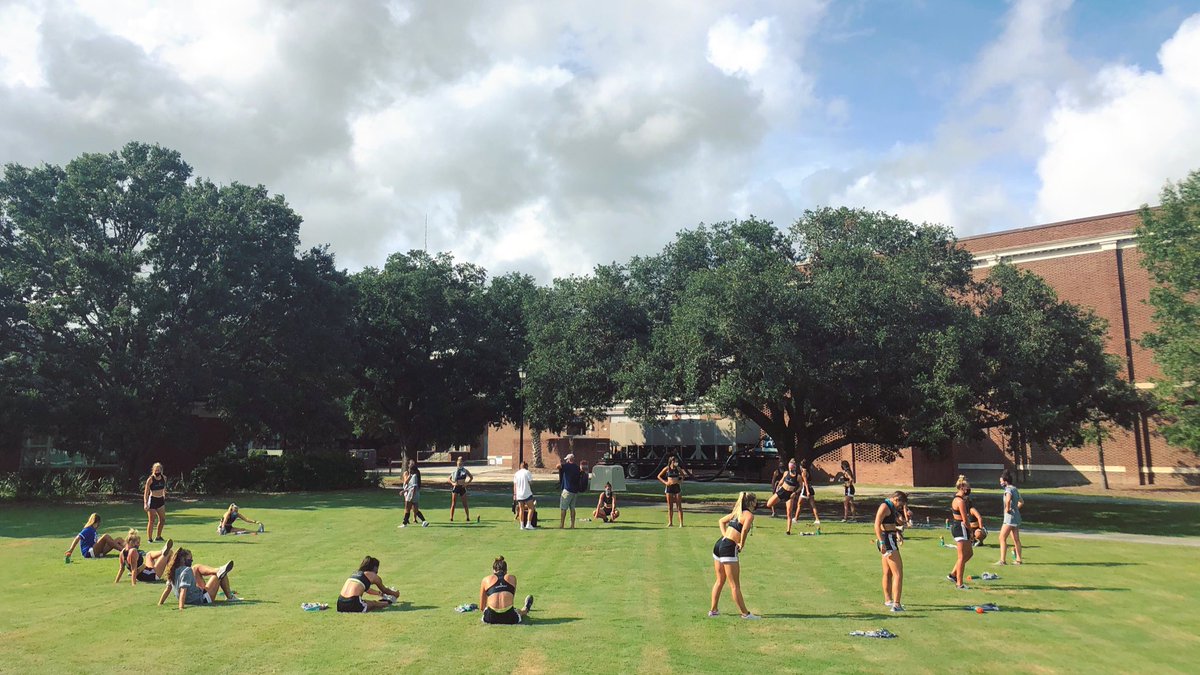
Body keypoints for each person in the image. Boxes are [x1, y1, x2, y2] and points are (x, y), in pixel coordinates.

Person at [709, 492, 760, 620]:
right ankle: (745, 614)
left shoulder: (737, 512)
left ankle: (713, 611)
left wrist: (725, 536)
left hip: (719, 544)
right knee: (734, 585)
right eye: (756, 501)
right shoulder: (749, 515)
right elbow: (744, 531)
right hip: (728, 547)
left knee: (720, 580)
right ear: (752, 502)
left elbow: (721, 521)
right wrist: (741, 544)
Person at [157, 549, 237, 609]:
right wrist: (181, 607)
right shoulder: (186, 570)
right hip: (202, 599)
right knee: (219, 575)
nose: (191, 561)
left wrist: (160, 603)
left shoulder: (173, 571)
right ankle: (229, 597)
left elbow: (167, 589)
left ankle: (219, 570)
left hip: (193, 597)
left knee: (195, 567)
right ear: (183, 560)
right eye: (190, 559)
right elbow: (183, 591)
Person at [874, 491, 909, 612]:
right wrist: (881, 542)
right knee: (898, 573)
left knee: (888, 572)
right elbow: (876, 525)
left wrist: (898, 533)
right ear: (895, 499)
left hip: (889, 539)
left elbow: (893, 524)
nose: (899, 507)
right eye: (900, 505)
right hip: (887, 541)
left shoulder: (891, 507)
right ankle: (896, 604)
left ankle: (888, 600)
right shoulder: (885, 506)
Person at [479, 556, 534, 624]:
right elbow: (511, 600)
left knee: (491, 609)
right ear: (506, 570)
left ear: (493, 570)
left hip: (490, 618)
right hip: (510, 618)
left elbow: (482, 607)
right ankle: (525, 609)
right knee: (519, 612)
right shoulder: (512, 578)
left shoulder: (486, 579)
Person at [947, 475, 974, 589]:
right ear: (962, 487)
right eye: (967, 486)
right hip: (960, 528)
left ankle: (953, 574)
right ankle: (959, 583)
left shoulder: (959, 500)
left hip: (960, 527)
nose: (969, 489)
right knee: (962, 557)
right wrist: (971, 531)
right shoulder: (960, 501)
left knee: (969, 553)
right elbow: (965, 519)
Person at [765, 459, 802, 535]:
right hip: (782, 491)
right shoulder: (786, 473)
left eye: (793, 467)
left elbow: (801, 486)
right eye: (790, 467)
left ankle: (788, 531)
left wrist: (795, 493)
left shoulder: (798, 477)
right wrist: (778, 487)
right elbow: (781, 481)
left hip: (790, 494)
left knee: (789, 513)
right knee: (769, 504)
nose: (791, 469)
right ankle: (776, 507)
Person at [996, 470, 1024, 564]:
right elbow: (1021, 502)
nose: (1000, 483)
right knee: (1016, 539)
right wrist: (1015, 509)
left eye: (1001, 481)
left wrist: (1007, 509)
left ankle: (1002, 560)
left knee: (1002, 537)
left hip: (1009, 518)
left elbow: (1007, 500)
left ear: (1005, 481)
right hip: (1016, 517)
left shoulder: (1008, 489)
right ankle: (1019, 559)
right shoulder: (1015, 489)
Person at [657, 456, 687, 527]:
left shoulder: (678, 468)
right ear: (671, 461)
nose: (676, 462)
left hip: (676, 487)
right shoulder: (667, 469)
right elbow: (659, 476)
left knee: (679, 506)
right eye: (675, 461)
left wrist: (680, 481)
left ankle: (681, 523)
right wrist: (665, 482)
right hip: (669, 488)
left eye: (677, 461)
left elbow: (683, 476)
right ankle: (670, 522)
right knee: (670, 506)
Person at [143, 462, 168, 542]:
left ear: (161, 470)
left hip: (160, 500)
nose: (157, 472)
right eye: (156, 470)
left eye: (159, 470)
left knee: (162, 519)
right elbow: (146, 492)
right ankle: (149, 539)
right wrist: (145, 503)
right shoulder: (150, 479)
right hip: (152, 500)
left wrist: (164, 495)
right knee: (152, 520)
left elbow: (164, 487)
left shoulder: (164, 478)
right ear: (153, 470)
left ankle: (158, 536)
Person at [400, 459, 428, 528]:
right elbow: (408, 484)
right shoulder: (412, 475)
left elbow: (414, 487)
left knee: (407, 508)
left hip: (412, 494)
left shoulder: (414, 476)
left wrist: (411, 496)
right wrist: (404, 491)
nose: (408, 469)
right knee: (415, 510)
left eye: (409, 468)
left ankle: (404, 523)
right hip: (413, 494)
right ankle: (424, 521)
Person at [558, 453, 582, 529]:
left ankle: (562, 524)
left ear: (568, 459)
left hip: (567, 490)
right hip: (575, 491)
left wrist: (561, 464)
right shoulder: (577, 467)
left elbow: (558, 466)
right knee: (572, 508)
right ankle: (572, 525)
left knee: (563, 508)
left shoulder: (567, 466)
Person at [795, 460, 821, 526]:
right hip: (810, 487)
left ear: (801, 466)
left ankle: (795, 519)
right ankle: (817, 519)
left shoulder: (803, 472)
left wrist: (807, 491)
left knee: (799, 504)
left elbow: (805, 482)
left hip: (806, 489)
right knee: (813, 505)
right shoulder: (808, 471)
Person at [448, 458, 474, 522]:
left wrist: (466, 484)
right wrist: (453, 483)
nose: (459, 465)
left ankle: (467, 517)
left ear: (462, 464)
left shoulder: (465, 470)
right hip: (456, 488)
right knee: (453, 503)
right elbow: (448, 479)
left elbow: (471, 477)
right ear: (457, 464)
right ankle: (451, 517)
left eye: (461, 463)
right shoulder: (455, 471)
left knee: (465, 504)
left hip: (462, 488)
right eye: (458, 464)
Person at [513, 461, 535, 530]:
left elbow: (515, 485)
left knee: (521, 509)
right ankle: (528, 524)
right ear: (526, 466)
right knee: (531, 508)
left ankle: (522, 525)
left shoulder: (516, 474)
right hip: (527, 493)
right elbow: (531, 482)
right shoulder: (527, 472)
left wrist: (515, 494)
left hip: (519, 494)